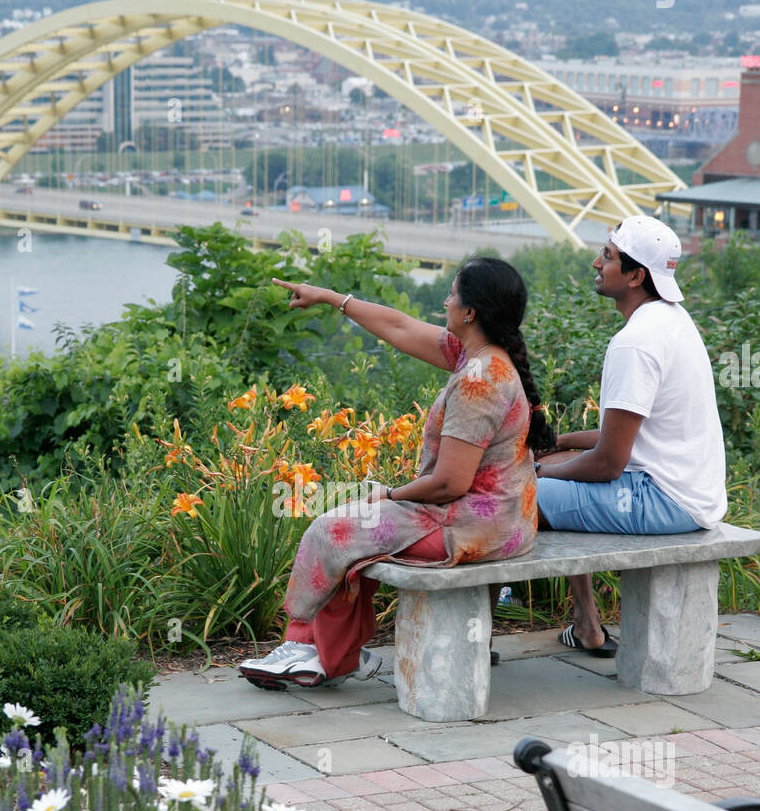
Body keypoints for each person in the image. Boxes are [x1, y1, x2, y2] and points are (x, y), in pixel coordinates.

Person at [238, 256, 557, 689]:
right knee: (355, 524)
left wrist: (389, 495)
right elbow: (401, 328)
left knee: (331, 530)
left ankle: (304, 647)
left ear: (470, 312)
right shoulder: (482, 355)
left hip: (470, 525)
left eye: (452, 293)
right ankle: (335, 651)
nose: (444, 301)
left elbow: (449, 484)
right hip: (500, 520)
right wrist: (329, 297)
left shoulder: (479, 379)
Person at [534, 215, 727, 657]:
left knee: (514, 491)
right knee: (547, 476)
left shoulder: (634, 343)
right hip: (688, 490)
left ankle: (479, 630)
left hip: (663, 498)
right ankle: (587, 626)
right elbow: (624, 436)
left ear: (636, 275)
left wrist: (538, 469)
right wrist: (561, 443)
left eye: (608, 256)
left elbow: (608, 464)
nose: (596, 262)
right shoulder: (673, 320)